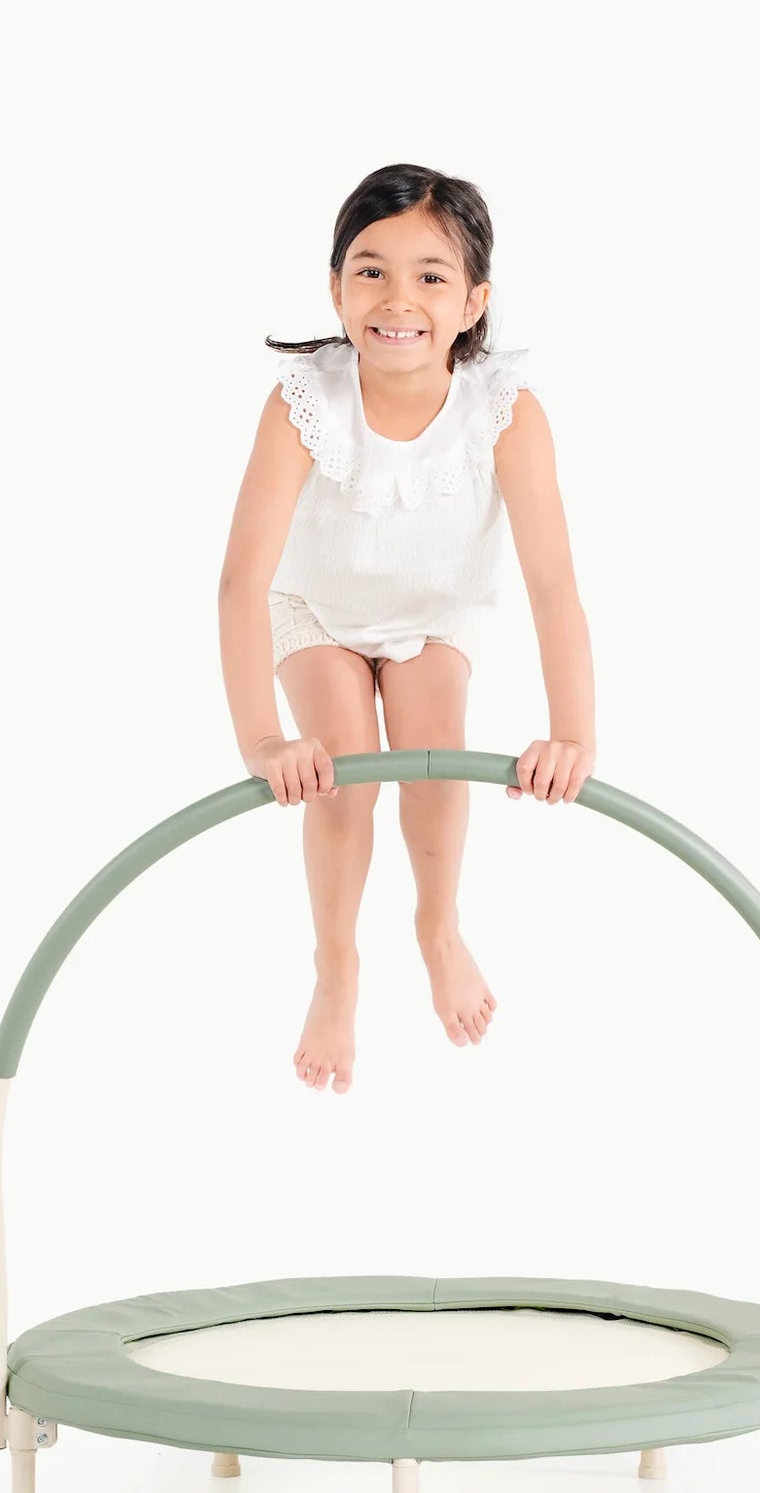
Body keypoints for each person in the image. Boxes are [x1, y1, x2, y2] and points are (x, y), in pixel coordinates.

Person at [217, 164, 595, 1094]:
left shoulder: (507, 413)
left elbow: (553, 585)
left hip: (434, 616)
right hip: (317, 610)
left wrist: (573, 735)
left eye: (431, 276)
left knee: (432, 749)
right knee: (342, 772)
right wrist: (263, 740)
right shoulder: (303, 403)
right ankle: (336, 963)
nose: (398, 299)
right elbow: (241, 582)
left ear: (473, 302)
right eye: (371, 271)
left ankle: (437, 926)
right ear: (336, 288)